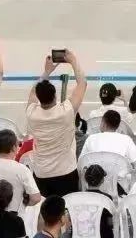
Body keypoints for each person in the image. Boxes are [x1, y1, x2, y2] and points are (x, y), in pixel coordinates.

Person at [27, 51, 87, 198]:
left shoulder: (32, 113)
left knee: (45, 208)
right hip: (66, 172)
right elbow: (82, 83)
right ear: (55, 96)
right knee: (67, 207)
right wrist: (73, 61)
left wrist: (47, 71)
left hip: (42, 173)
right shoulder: (66, 111)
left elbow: (33, 92)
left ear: (39, 99)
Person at [0, 129, 43, 212]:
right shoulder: (22, 170)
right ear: (14, 147)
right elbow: (36, 198)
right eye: (18, 145)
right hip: (15, 217)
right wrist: (23, 204)